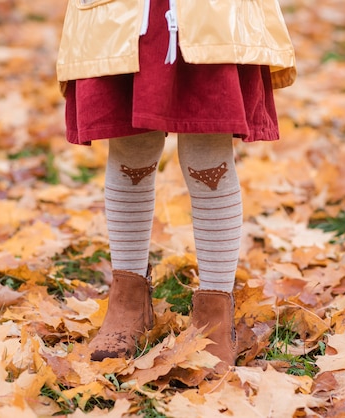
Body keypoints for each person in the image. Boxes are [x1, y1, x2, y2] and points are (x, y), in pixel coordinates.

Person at [56, 0, 296, 369]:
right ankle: (128, 299)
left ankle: (216, 309)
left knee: (208, 142)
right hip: (128, 13)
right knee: (129, 141)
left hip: (209, 13)